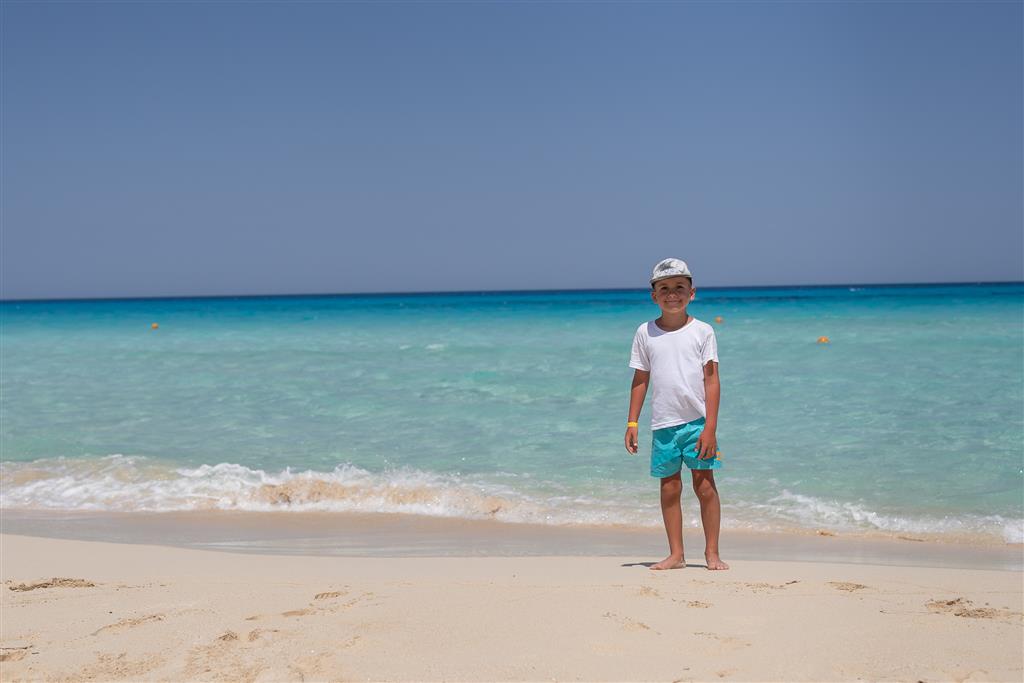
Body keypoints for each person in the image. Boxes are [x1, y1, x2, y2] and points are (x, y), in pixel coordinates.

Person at [625, 258, 729, 571]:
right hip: (663, 425)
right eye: (665, 289)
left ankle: (712, 552)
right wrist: (632, 422)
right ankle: (676, 554)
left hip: (698, 424)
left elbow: (712, 380)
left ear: (692, 293)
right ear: (654, 296)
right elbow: (640, 379)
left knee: (704, 485)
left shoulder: (703, 331)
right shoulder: (645, 332)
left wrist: (710, 428)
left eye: (680, 287)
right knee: (669, 488)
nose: (672, 294)